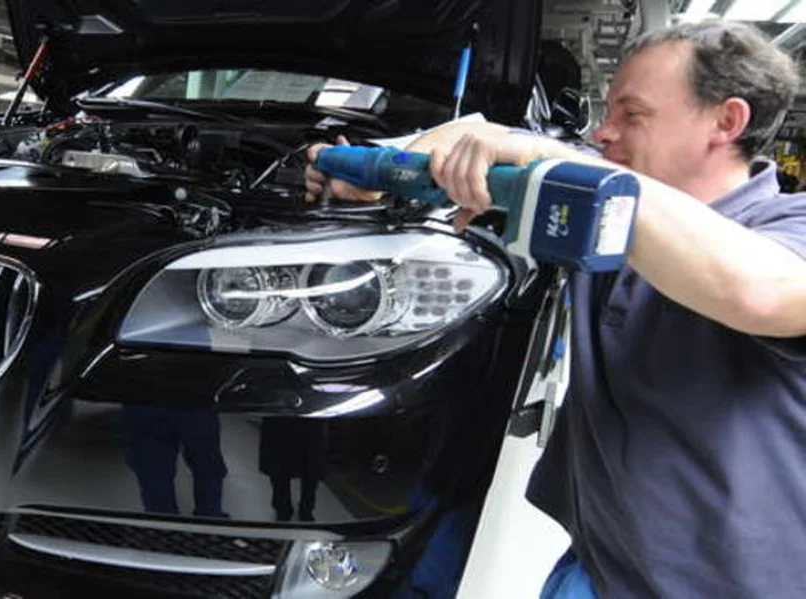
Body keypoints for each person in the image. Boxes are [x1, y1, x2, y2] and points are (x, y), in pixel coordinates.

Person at [306, 21, 806, 598]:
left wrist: (548, 154)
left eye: (632, 114)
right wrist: (370, 175)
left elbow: (756, 291)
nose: (603, 133)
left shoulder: (786, 229)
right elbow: (451, 161)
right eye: (607, 112)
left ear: (726, 121)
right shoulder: (605, 198)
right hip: (597, 567)